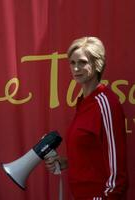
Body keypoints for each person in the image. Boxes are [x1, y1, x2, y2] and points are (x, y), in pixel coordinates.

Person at [45, 37, 128, 199]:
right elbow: (92, 153)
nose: (76, 68)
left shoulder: (106, 103)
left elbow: (117, 171)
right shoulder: (83, 102)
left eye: (82, 62)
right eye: (72, 63)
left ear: (97, 64)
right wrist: (67, 162)